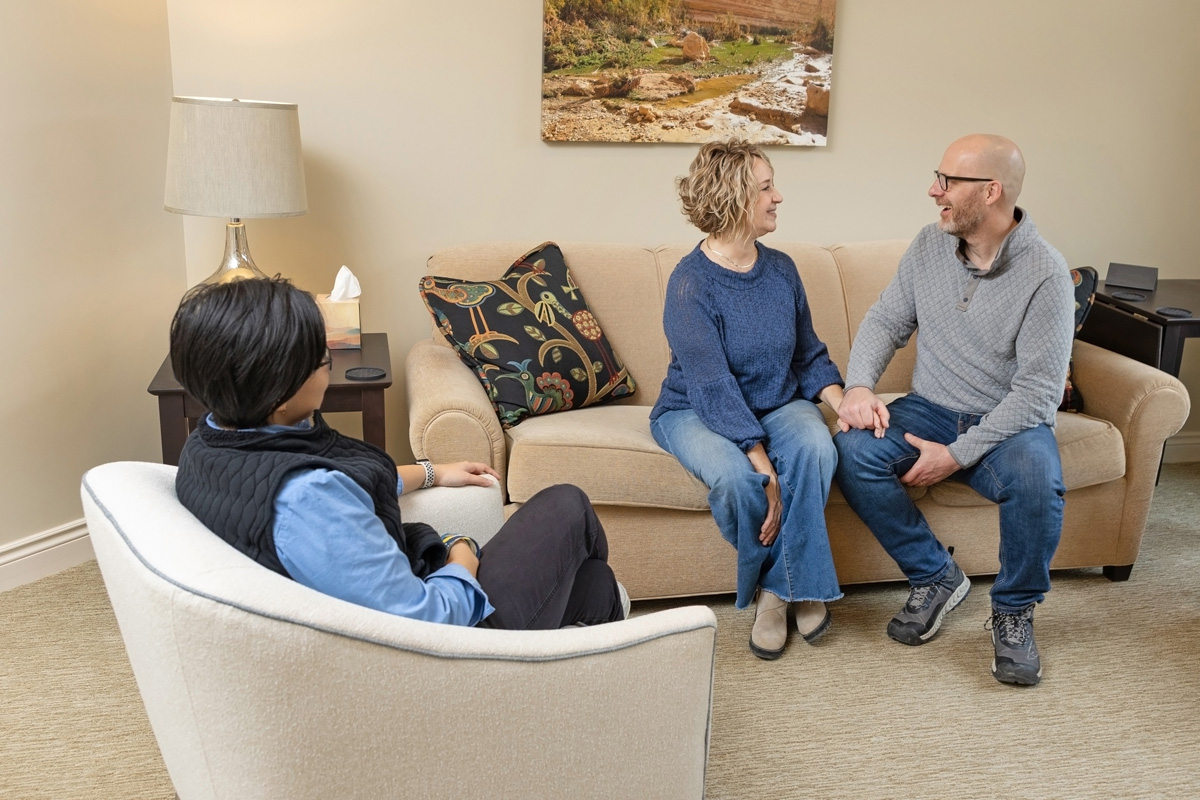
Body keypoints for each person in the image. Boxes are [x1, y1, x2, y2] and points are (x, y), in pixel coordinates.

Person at [169, 277, 628, 630]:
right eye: (319, 357)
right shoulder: (307, 499)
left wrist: (431, 472)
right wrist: (463, 551)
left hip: (426, 592)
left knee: (595, 584)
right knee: (568, 504)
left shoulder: (215, 437)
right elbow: (425, 621)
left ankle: (586, 673)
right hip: (453, 644)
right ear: (278, 392)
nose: (328, 360)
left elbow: (342, 483)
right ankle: (558, 682)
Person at [834, 134, 1074, 686]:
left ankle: (1012, 613)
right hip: (930, 408)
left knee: (1039, 477)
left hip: (1008, 423)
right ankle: (936, 575)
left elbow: (1037, 394)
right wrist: (860, 387)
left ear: (991, 192)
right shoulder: (928, 246)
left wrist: (957, 455)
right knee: (850, 447)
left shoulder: (1045, 273)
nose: (933, 190)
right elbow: (886, 320)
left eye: (947, 181)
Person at [649, 138, 845, 660]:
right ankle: (792, 584)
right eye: (766, 188)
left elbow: (808, 356)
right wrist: (761, 460)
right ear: (735, 197)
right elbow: (712, 387)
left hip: (778, 401)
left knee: (817, 448)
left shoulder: (782, 270)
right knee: (741, 480)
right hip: (694, 409)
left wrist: (842, 401)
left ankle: (778, 593)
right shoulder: (690, 284)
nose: (778, 197)